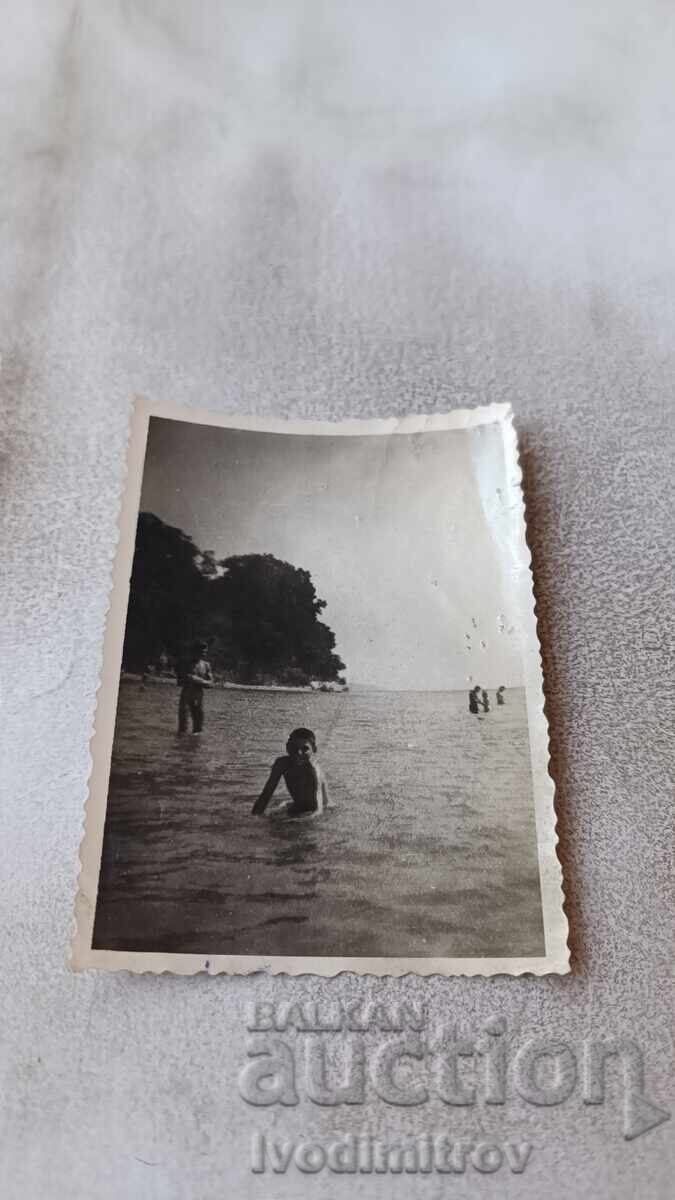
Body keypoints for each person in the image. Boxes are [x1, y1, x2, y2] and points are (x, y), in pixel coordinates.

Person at [252, 727, 328, 818]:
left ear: (314, 749)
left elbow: (318, 810)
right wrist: (253, 818)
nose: (299, 752)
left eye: (305, 748)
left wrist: (292, 822)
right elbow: (266, 795)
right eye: (294, 748)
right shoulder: (282, 764)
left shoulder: (313, 770)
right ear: (287, 748)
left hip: (320, 809)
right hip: (298, 807)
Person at [176, 640, 214, 733]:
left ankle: (194, 744)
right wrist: (190, 679)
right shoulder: (185, 663)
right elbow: (179, 682)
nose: (204, 654)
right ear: (194, 651)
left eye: (205, 652)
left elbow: (211, 684)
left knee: (198, 730)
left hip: (198, 697)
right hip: (186, 696)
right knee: (182, 729)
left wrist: (196, 680)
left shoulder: (206, 665)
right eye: (202, 652)